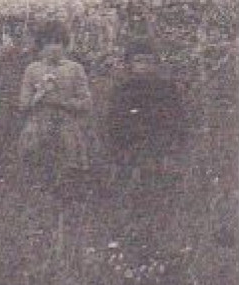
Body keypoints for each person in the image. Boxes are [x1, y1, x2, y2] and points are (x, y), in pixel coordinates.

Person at [17, 20, 95, 189]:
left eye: (58, 43)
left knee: (69, 144)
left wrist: (64, 102)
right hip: (40, 119)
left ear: (65, 45)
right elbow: (23, 104)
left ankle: (68, 185)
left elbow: (86, 102)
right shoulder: (33, 69)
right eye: (48, 43)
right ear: (41, 46)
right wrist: (39, 96)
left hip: (66, 118)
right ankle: (36, 184)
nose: (54, 48)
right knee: (32, 144)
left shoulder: (74, 69)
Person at [106, 37, 185, 186]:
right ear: (129, 64)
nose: (144, 66)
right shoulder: (124, 89)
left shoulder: (166, 88)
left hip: (159, 140)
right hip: (131, 140)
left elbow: (176, 115)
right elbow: (115, 118)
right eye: (139, 61)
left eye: (149, 61)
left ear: (156, 64)